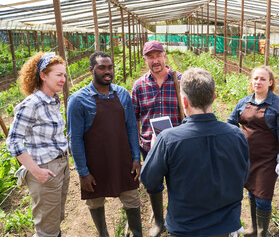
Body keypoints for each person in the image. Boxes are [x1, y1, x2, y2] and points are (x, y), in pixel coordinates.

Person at [140, 67, 250, 236]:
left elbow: (149, 180)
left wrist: (156, 149)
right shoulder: (236, 135)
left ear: (184, 102)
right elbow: (243, 176)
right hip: (225, 226)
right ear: (214, 97)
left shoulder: (168, 139)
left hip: (185, 228)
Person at [67, 52, 142, 237]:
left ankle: (137, 233)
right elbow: (75, 139)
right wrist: (83, 172)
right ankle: (103, 234)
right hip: (95, 163)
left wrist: (136, 158)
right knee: (95, 201)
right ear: (92, 70)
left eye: (110, 67)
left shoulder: (123, 94)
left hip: (122, 158)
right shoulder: (77, 100)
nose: (107, 71)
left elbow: (132, 128)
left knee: (132, 198)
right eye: (102, 68)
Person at [6, 52, 69, 237]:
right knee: (46, 230)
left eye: (64, 75)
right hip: (45, 170)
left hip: (61, 166)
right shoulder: (32, 104)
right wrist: (36, 171)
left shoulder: (52, 101)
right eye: (58, 75)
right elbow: (13, 141)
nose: (63, 79)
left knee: (55, 220)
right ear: (43, 75)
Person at [227, 65, 279, 237]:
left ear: (270, 82)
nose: (258, 82)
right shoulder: (244, 102)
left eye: (263, 79)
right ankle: (254, 229)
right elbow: (230, 123)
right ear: (251, 81)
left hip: (268, 160)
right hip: (246, 157)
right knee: (251, 191)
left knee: (263, 197)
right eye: (255, 78)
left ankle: (262, 232)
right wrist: (234, 142)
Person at [131, 40, 182, 236]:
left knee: (177, 182)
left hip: (177, 145)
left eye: (158, 55)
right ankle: (159, 221)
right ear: (145, 60)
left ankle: (175, 218)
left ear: (165, 56)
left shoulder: (179, 80)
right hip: (149, 145)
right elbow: (135, 118)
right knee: (152, 183)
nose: (155, 60)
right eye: (150, 57)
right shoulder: (139, 86)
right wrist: (136, 148)